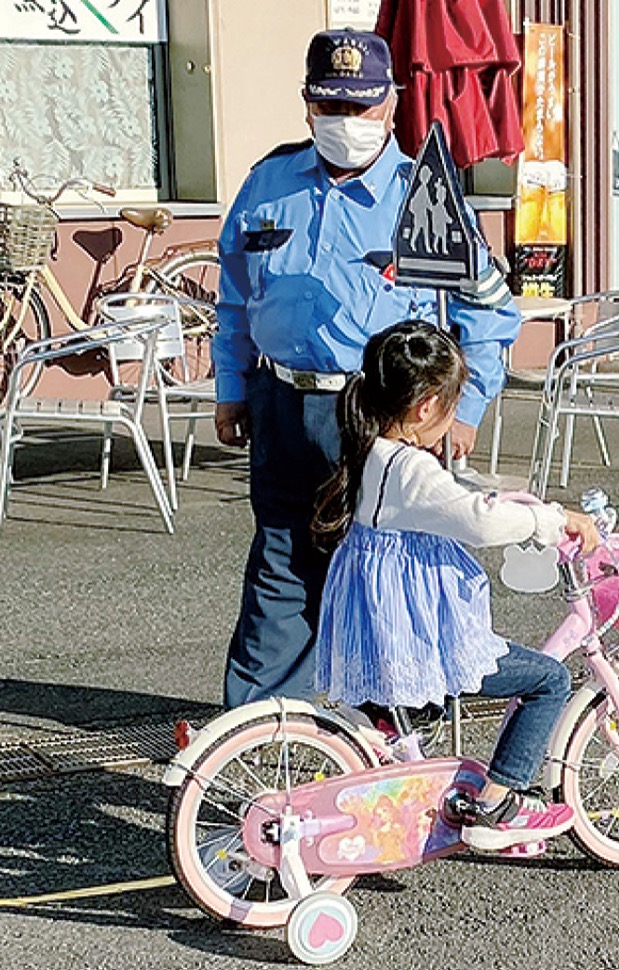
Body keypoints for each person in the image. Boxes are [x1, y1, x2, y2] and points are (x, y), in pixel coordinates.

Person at [212, 29, 521, 708]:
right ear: (307, 105)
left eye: (361, 108)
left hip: (379, 414)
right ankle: (260, 724)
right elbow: (234, 295)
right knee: (281, 564)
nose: (346, 123)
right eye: (332, 108)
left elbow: (494, 315)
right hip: (282, 402)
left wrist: (464, 409)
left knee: (385, 571)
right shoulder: (268, 182)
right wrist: (231, 388)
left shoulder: (424, 196)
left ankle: (397, 720)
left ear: (389, 105)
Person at [311, 321, 600, 851]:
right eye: (453, 404)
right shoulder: (412, 470)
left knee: (423, 710)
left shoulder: (376, 452)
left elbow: (454, 503)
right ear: (426, 408)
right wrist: (553, 521)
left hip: (383, 627)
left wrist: (507, 499)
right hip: (417, 635)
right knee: (549, 680)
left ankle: (398, 739)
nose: (452, 419)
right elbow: (478, 523)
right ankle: (498, 804)